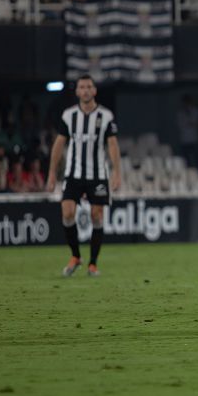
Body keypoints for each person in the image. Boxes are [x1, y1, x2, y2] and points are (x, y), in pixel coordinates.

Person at [46, 75, 121, 277]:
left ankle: (93, 264)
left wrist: (116, 172)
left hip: (97, 175)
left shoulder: (105, 116)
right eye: (82, 87)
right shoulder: (69, 115)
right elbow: (59, 144)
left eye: (89, 86)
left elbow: (112, 145)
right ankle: (75, 256)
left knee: (97, 216)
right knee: (67, 213)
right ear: (77, 92)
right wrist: (52, 173)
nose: (86, 90)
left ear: (94, 91)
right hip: (74, 174)